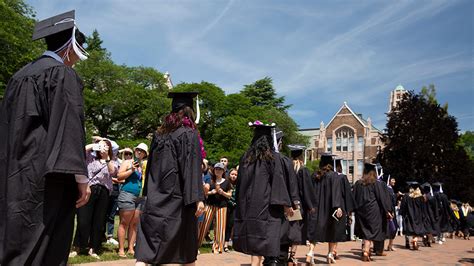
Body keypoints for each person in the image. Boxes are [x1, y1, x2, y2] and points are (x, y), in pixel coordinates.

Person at [0, 10, 91, 265]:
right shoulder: (62, 74)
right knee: (46, 243)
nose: (77, 59)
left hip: (14, 173)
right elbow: (69, 127)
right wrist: (81, 177)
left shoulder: (18, 77)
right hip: (47, 177)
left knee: (17, 241)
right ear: (70, 47)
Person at [135, 92, 205, 266]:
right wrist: (197, 199)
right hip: (179, 202)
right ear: (189, 112)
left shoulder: (159, 135)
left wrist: (148, 193)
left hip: (156, 199)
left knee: (147, 254)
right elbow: (191, 168)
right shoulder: (189, 134)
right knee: (186, 253)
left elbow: (150, 168)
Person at [232, 121, 294, 266]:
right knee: (266, 238)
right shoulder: (272, 157)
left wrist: (240, 203)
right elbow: (278, 181)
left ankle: (255, 264)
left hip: (248, 205)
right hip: (266, 206)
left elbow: (240, 183)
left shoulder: (245, 157)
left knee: (253, 238)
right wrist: (286, 204)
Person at [71, 139, 116, 259]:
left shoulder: (111, 160)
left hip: (104, 192)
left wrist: (107, 157)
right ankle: (78, 246)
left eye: (106, 146)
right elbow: (81, 150)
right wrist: (95, 145)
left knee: (98, 221)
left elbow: (113, 172)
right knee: (83, 219)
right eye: (102, 146)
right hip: (89, 189)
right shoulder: (90, 157)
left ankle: (93, 248)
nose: (103, 148)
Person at [308, 154, 347, 264]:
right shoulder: (334, 176)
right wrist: (338, 206)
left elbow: (310, 191)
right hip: (330, 208)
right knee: (332, 230)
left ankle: (310, 252)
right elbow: (336, 192)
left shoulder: (315, 175)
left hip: (317, 208)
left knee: (315, 230)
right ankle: (330, 254)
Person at [353, 163, 392, 262]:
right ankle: (366, 250)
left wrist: (354, 210)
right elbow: (381, 198)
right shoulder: (376, 183)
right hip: (374, 211)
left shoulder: (358, 183)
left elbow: (354, 198)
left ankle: (366, 250)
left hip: (361, 211)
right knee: (371, 231)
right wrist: (387, 210)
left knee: (366, 231)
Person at [116, 143, 148, 257]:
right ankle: (120, 249)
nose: (139, 152)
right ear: (135, 151)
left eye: (142, 151)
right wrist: (131, 170)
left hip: (139, 197)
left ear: (145, 154)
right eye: (138, 150)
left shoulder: (143, 165)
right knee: (124, 223)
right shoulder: (128, 162)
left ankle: (130, 248)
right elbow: (119, 176)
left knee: (134, 224)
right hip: (127, 194)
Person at [287, 144, 314, 265]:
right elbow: (306, 190)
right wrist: (310, 205)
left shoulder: (285, 168)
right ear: (301, 155)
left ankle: (285, 255)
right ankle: (292, 256)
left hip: (285, 204)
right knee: (296, 230)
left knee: (286, 229)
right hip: (298, 205)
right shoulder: (303, 170)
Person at [197, 162, 233, 253]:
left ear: (223, 171)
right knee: (204, 225)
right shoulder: (210, 180)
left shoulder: (227, 182)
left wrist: (222, 193)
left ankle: (217, 247)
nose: (218, 171)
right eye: (216, 169)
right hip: (210, 205)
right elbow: (204, 193)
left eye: (220, 169)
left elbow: (229, 195)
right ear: (214, 170)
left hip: (222, 206)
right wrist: (211, 192)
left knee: (220, 227)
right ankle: (196, 245)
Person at [399, 181, 426, 250]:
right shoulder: (421, 197)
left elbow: (403, 206)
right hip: (418, 216)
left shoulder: (406, 196)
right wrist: (423, 215)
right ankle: (415, 240)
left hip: (409, 215)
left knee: (411, 229)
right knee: (417, 229)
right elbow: (423, 207)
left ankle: (411, 240)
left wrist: (402, 213)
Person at [105, 140, 122, 246]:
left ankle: (110, 235)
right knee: (102, 213)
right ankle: (100, 234)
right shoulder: (105, 160)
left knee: (111, 214)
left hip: (115, 189)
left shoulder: (118, 162)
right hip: (106, 188)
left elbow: (119, 177)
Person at [224, 168, 238, 252]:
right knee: (223, 225)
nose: (234, 176)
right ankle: (220, 243)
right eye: (232, 174)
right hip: (225, 206)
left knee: (230, 225)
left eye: (236, 175)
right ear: (229, 175)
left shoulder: (239, 184)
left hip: (235, 207)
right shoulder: (226, 183)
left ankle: (226, 244)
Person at [386, 177, 400, 251]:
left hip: (391, 211)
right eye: (392, 180)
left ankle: (390, 245)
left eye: (394, 180)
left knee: (393, 229)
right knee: (391, 228)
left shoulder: (390, 189)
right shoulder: (388, 189)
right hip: (389, 211)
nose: (394, 181)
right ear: (389, 181)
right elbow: (390, 201)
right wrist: (390, 211)